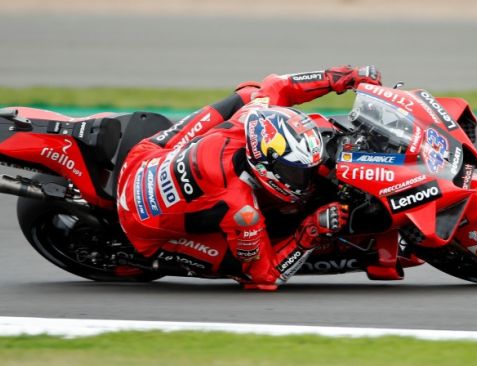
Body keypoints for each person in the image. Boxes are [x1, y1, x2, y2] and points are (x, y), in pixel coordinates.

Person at [116, 65, 382, 290]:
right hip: (144, 227)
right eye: (296, 173)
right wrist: (310, 231)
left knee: (248, 94)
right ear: (264, 167)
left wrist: (342, 77)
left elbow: (276, 85)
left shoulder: (249, 121)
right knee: (244, 265)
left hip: (144, 156)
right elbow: (266, 277)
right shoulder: (242, 210)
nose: (306, 179)